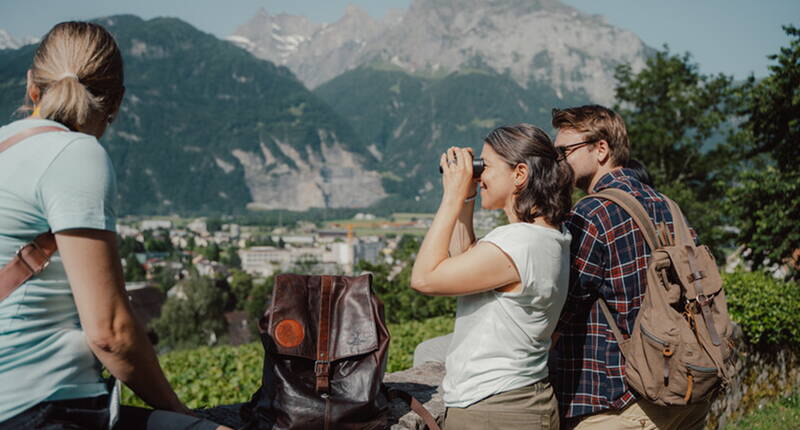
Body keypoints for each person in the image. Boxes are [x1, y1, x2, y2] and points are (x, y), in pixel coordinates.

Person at [0, 22, 230, 430]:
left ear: (31, 85)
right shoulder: (75, 154)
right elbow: (109, 333)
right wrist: (182, 413)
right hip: (43, 408)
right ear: (116, 101)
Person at [550, 105, 711, 429]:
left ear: (601, 149)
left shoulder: (591, 214)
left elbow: (559, 310)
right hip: (684, 390)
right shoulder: (668, 205)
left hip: (618, 403)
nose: (558, 162)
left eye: (564, 151)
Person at [410, 124, 574, 429]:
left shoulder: (520, 242)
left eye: (486, 166)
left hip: (495, 408)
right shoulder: (545, 237)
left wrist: (451, 196)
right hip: (513, 402)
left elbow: (424, 278)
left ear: (520, 174)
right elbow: (464, 261)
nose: (479, 174)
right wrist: (467, 199)